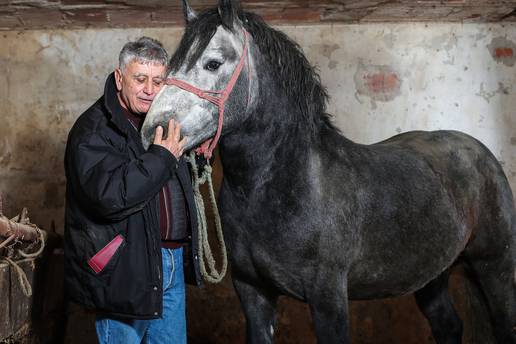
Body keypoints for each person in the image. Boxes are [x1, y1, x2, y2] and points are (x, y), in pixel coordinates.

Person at [64, 36, 201, 344]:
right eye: (140, 79)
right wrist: (162, 156)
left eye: (157, 80)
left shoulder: (163, 122)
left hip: (172, 262)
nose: (150, 90)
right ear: (119, 77)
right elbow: (110, 196)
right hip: (126, 266)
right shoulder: (93, 130)